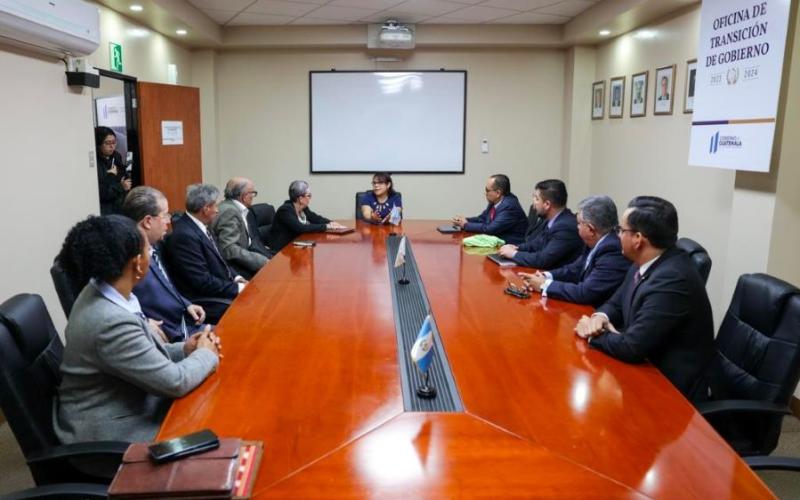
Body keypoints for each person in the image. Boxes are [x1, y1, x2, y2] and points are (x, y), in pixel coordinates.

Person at [53, 214, 220, 443]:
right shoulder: (110, 322)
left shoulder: (103, 290)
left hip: (131, 402)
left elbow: (137, 353)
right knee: (217, 424)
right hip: (114, 434)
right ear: (138, 264)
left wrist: (185, 349)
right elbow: (175, 382)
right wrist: (205, 353)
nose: (152, 255)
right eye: (148, 251)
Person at [574, 196, 714, 404]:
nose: (617, 235)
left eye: (621, 230)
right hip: (647, 367)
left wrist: (593, 333)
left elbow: (632, 347)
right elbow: (616, 302)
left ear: (638, 239)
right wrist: (599, 317)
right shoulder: (646, 261)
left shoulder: (673, 280)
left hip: (672, 392)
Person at [123, 186, 210, 341]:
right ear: (148, 221)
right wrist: (143, 323)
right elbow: (113, 303)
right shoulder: (127, 259)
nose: (169, 221)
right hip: (168, 337)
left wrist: (186, 304)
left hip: (186, 323)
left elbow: (166, 286)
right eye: (165, 215)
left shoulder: (155, 247)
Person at [519, 195, 631, 306]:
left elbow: (585, 293)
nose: (576, 226)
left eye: (579, 223)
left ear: (591, 229)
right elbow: (575, 269)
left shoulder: (612, 251)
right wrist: (546, 276)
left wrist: (544, 285)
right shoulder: (597, 241)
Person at [165, 183, 248, 324]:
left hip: (220, 288)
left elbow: (221, 261)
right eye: (215, 206)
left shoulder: (200, 226)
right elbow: (202, 282)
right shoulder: (184, 235)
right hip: (203, 300)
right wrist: (239, 288)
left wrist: (237, 278)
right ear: (206, 209)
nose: (217, 210)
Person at [497, 179, 583, 268]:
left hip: (556, 277)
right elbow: (536, 244)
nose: (534, 203)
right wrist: (515, 247)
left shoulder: (565, 227)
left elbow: (542, 260)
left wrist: (514, 254)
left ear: (547, 204)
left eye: (537, 199)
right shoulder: (551, 220)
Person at [210, 177, 270, 279]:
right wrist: (263, 261)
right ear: (244, 196)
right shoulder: (230, 212)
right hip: (234, 267)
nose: (253, 196)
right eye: (253, 193)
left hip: (247, 256)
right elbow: (230, 249)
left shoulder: (233, 208)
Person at [268, 180, 346, 252]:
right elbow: (300, 228)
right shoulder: (285, 210)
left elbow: (316, 218)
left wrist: (332, 223)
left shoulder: (303, 208)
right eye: (309, 195)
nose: (310, 198)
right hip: (283, 251)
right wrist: (326, 226)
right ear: (300, 198)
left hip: (297, 245)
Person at [451, 174, 528, 245]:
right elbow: (482, 218)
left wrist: (465, 225)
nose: (485, 193)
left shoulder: (509, 206)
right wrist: (464, 220)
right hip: (497, 242)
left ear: (498, 193)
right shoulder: (495, 201)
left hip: (511, 245)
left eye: (487, 190)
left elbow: (490, 229)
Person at [95, 126, 131, 215]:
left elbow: (123, 177)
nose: (112, 146)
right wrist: (119, 185)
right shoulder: (95, 162)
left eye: (114, 142)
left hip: (119, 204)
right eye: (107, 143)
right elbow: (101, 193)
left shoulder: (116, 156)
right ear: (98, 144)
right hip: (104, 208)